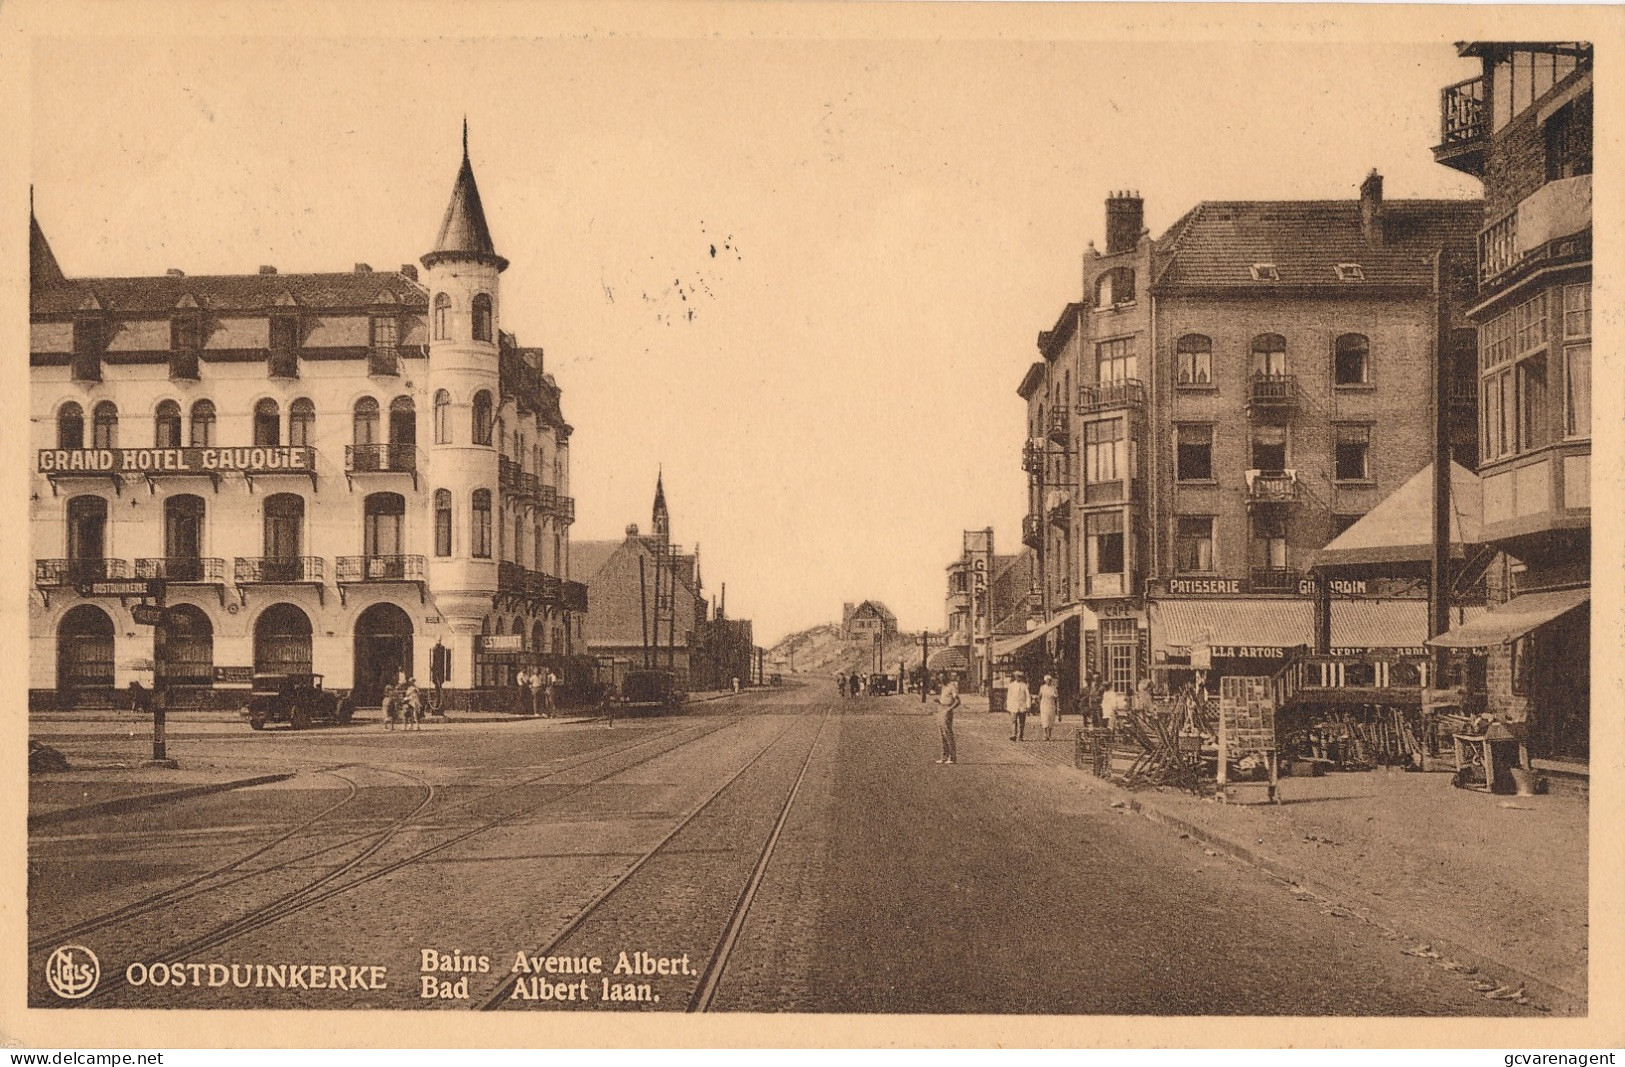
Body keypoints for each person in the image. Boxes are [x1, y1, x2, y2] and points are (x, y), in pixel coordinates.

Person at [934, 677, 960, 765]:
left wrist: (949, 709)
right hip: (941, 708)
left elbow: (957, 701)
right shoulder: (944, 687)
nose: (941, 680)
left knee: (947, 733)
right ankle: (944, 756)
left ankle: (952, 757)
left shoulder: (952, 686)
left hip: (947, 710)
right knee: (942, 733)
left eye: (942, 677)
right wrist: (939, 701)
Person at [1006, 671, 1031, 741]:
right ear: (1015, 677)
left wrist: (1028, 705)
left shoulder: (1024, 685)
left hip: (1022, 706)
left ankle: (1020, 736)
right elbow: (1009, 696)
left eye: (1019, 677)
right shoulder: (1011, 685)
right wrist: (1008, 706)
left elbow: (1028, 696)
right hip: (1013, 706)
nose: (1018, 678)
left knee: (1022, 722)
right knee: (1013, 721)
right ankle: (1014, 734)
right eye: (1017, 676)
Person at [1038, 673, 1060, 741]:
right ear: (1045, 680)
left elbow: (1057, 699)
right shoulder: (1042, 688)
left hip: (1051, 705)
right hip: (1044, 705)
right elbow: (1039, 696)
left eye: (1050, 680)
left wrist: (1058, 708)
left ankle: (1049, 735)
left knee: (1051, 720)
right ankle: (1045, 734)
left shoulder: (1053, 688)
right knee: (1045, 719)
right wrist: (1040, 704)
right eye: (1048, 680)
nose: (1049, 681)